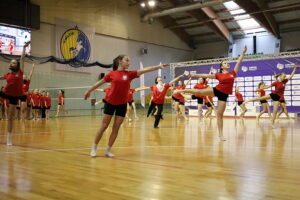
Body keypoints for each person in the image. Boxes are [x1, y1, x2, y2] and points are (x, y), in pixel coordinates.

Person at [84, 54, 169, 157]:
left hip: (122, 104)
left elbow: (145, 70)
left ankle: (108, 150)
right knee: (104, 126)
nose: (129, 62)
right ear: (120, 61)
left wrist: (158, 67)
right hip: (110, 102)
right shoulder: (112, 74)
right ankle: (94, 148)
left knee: (116, 128)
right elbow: (99, 83)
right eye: (127, 60)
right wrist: (89, 91)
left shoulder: (129, 74)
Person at [174, 46, 247, 141]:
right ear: (222, 67)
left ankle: (220, 135)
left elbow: (239, 62)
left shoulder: (233, 73)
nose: (227, 64)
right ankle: (180, 91)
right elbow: (207, 75)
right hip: (217, 90)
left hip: (224, 95)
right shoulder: (218, 74)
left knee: (220, 114)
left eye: (227, 63)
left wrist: (243, 52)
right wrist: (196, 75)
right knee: (199, 92)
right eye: (225, 63)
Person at [0, 41, 30, 145]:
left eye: (13, 62)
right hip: (5, 93)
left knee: (10, 117)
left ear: (17, 65)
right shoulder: (7, 74)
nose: (11, 63)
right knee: (9, 116)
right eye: (10, 62)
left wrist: (23, 47)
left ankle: (9, 138)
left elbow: (22, 58)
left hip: (15, 96)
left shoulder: (20, 72)